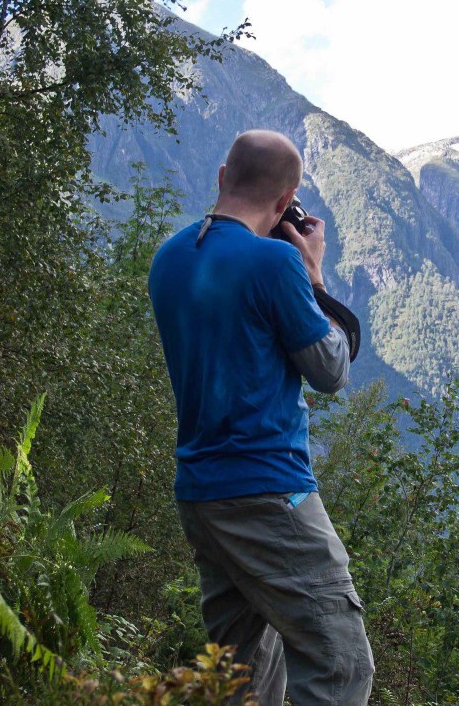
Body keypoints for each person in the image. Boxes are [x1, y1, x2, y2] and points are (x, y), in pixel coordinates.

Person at [148, 129, 375, 705]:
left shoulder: (170, 257)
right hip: (268, 489)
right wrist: (315, 274)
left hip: (201, 494)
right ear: (285, 203)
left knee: (239, 676)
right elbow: (330, 371)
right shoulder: (275, 261)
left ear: (222, 176)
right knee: (341, 663)